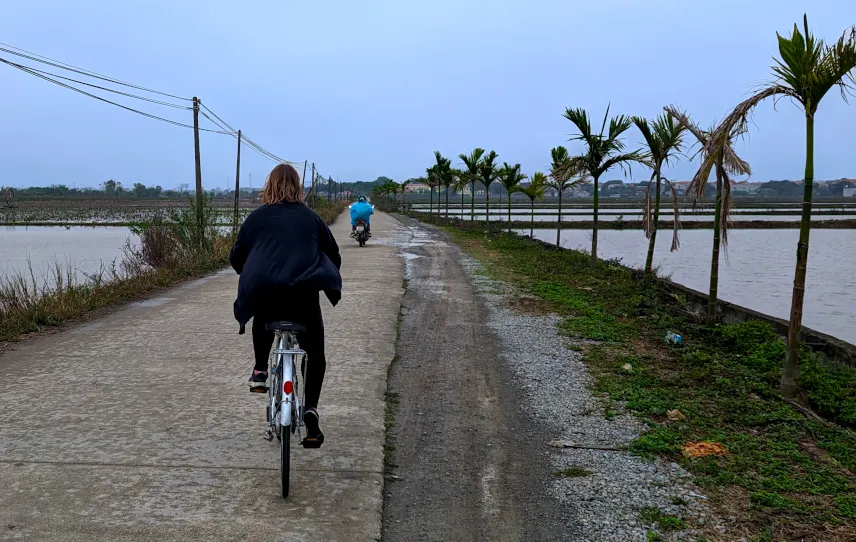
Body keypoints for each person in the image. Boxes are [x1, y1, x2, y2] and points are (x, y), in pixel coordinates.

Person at [230, 163, 341, 447]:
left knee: (262, 312)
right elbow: (333, 254)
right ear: (298, 187)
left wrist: (253, 270)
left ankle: (260, 371)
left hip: (267, 294)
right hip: (302, 296)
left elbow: (237, 256)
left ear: (269, 186)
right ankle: (310, 410)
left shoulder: (256, 218)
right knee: (315, 352)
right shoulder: (311, 218)